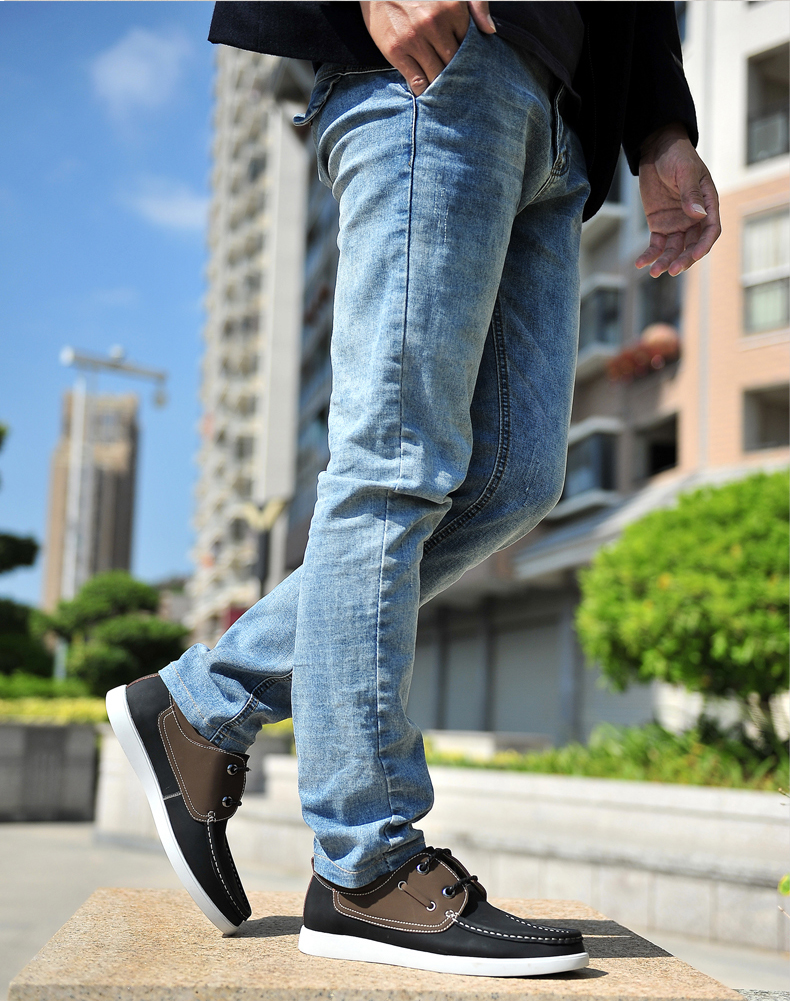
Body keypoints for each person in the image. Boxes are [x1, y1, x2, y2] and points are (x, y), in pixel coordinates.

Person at [106, 0, 720, 979]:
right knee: (394, 462)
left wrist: (662, 130)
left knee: (515, 480)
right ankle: (366, 863)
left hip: (563, 124)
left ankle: (205, 700)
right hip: (442, 66)